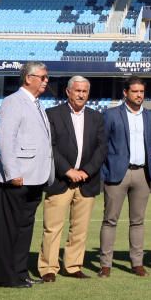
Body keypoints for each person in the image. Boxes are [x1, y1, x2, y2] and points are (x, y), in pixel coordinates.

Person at [0, 61, 54, 288]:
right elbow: (5, 139)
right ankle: (5, 276)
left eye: (46, 77)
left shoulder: (36, 104)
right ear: (29, 78)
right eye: (43, 77)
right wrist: (12, 172)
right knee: (10, 228)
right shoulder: (13, 102)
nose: (46, 81)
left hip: (35, 176)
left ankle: (19, 272)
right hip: (17, 177)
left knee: (25, 228)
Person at [38, 75, 106, 282]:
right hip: (60, 180)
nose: (81, 94)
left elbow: (101, 149)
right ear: (68, 92)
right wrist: (68, 170)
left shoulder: (97, 117)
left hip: (87, 181)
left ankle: (73, 265)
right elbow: (50, 146)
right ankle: (48, 268)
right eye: (77, 90)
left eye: (85, 91)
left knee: (80, 228)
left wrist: (85, 171)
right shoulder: (52, 115)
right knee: (52, 227)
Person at [98, 76, 151, 278]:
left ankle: (137, 263)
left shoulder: (150, 117)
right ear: (125, 93)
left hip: (142, 174)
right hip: (117, 174)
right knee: (110, 220)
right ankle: (105, 264)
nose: (139, 95)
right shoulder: (111, 114)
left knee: (138, 221)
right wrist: (106, 170)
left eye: (141, 91)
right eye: (135, 91)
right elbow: (102, 144)